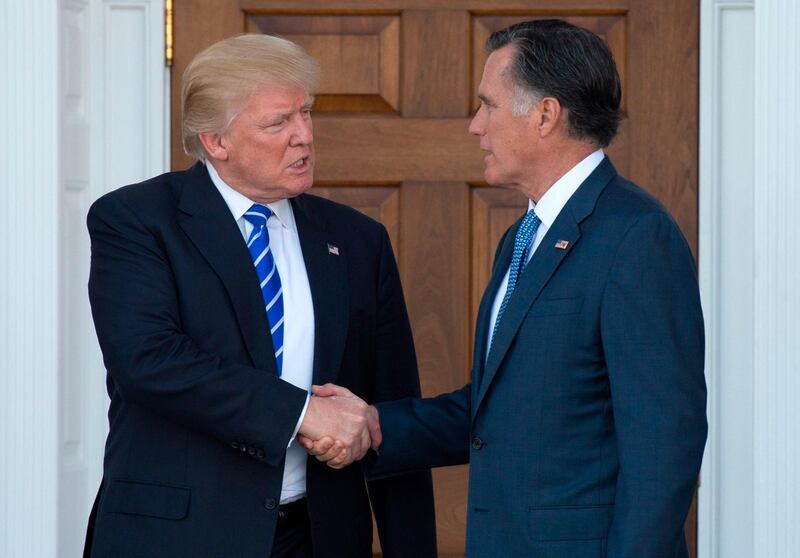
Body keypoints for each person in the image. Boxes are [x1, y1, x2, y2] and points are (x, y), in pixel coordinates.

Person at [303, 19, 707, 558]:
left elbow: (664, 443)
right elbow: (502, 407)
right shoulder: (524, 236)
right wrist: (376, 424)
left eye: (488, 105)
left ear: (545, 115)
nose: (475, 126)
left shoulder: (636, 236)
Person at [83, 34, 436, 558]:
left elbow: (390, 407)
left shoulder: (358, 241)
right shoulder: (136, 221)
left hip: (318, 538)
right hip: (178, 536)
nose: (304, 137)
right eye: (278, 123)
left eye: (306, 114)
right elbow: (149, 361)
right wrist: (301, 414)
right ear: (215, 141)